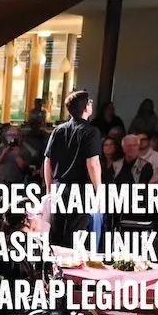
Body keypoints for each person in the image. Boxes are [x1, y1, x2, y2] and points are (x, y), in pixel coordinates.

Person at [43, 90, 103, 248]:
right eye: (90, 102)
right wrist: (99, 191)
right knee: (75, 235)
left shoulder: (58, 130)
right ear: (86, 107)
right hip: (80, 190)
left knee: (56, 233)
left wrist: (49, 189)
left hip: (58, 187)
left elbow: (47, 161)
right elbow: (93, 163)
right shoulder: (91, 131)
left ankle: (53, 263)